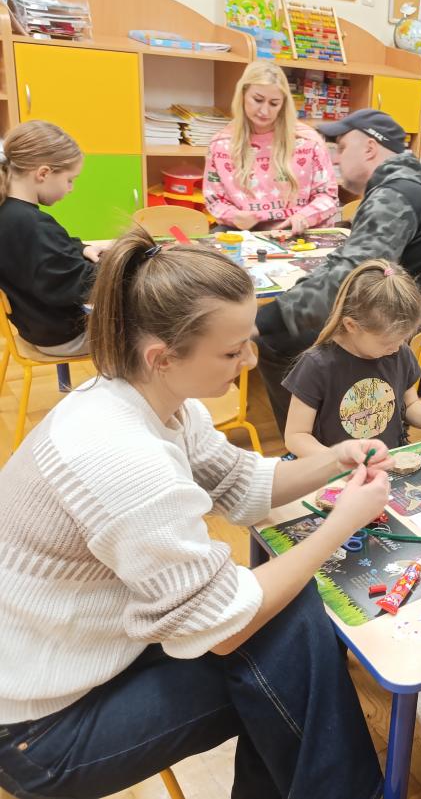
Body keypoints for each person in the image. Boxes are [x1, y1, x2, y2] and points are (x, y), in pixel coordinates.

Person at [0, 229, 391, 799]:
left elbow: (241, 482)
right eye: (232, 352)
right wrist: (340, 524)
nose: (250, 360)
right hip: (37, 732)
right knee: (290, 651)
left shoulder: (151, 400)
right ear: (162, 357)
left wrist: (335, 459)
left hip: (81, 655)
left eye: (248, 341)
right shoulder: (124, 457)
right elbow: (223, 628)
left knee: (292, 635)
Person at [255, 109, 421, 429]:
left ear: (369, 148)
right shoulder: (403, 188)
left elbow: (345, 280)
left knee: (275, 338)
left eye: (341, 147)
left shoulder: (394, 195)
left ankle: (309, 443)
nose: (336, 159)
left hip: (415, 358)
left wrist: (265, 319)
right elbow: (351, 266)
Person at [283, 259, 421, 459]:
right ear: (351, 325)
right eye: (387, 342)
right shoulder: (317, 365)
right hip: (335, 470)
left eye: (403, 339)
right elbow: (296, 436)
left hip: (386, 461)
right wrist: (338, 460)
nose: (396, 348)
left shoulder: (399, 352)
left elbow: (410, 404)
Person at [0, 120, 108, 356]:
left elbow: (51, 251)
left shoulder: (9, 214)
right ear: (43, 173)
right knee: (156, 327)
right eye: (70, 180)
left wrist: (81, 248)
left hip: (38, 329)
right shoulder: (34, 225)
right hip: (67, 336)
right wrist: (126, 261)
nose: (71, 188)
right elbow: (86, 287)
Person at [203, 61, 339, 234]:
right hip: (246, 234)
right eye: (258, 100)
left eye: (274, 103)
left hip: (297, 233)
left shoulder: (308, 141)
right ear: (243, 95)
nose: (264, 111)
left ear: (283, 104)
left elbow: (328, 196)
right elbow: (214, 200)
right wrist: (234, 217)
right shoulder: (221, 144)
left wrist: (304, 217)